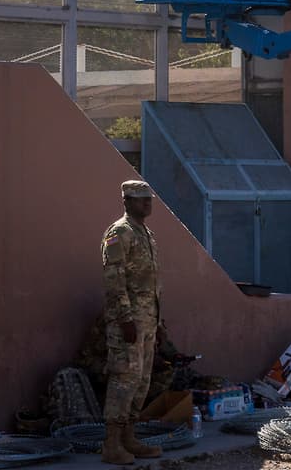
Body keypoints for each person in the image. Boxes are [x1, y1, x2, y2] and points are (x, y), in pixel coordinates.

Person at [100, 180, 164, 463]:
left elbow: (149, 283)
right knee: (124, 379)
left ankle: (129, 436)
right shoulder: (119, 233)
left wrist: (157, 323)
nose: (147, 203)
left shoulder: (146, 234)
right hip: (128, 322)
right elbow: (114, 279)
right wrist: (125, 318)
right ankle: (111, 444)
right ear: (126, 201)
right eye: (140, 199)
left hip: (147, 322)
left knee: (141, 380)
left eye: (148, 199)